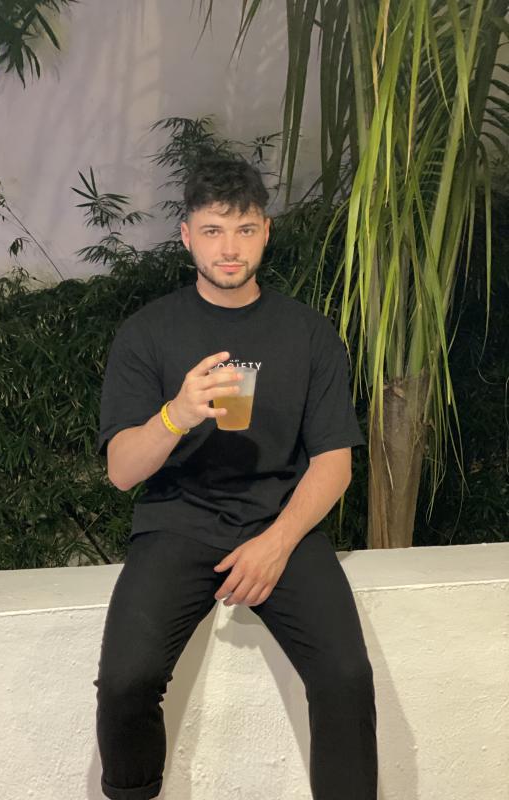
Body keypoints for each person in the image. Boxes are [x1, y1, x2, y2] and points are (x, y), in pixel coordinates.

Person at [94, 156, 378, 800]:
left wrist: (276, 543)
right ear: (187, 235)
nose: (230, 247)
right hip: (178, 522)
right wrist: (176, 413)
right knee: (126, 681)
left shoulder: (308, 333)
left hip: (281, 521)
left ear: (266, 233)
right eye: (214, 230)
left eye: (245, 229)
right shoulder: (148, 333)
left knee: (345, 677)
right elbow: (121, 472)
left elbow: (334, 462)